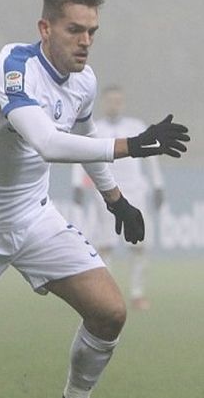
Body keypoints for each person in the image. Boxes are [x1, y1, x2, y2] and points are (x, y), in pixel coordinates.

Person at [0, 0, 190, 398]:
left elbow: (84, 135)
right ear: (45, 28)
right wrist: (132, 145)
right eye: (75, 30)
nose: (86, 41)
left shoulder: (84, 81)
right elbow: (48, 143)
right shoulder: (11, 71)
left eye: (92, 32)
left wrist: (115, 199)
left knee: (109, 312)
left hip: (33, 219)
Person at [72, 84, 166, 310]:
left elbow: (151, 156)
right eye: (110, 100)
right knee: (105, 244)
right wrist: (77, 184)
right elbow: (80, 152)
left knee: (139, 244)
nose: (114, 104)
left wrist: (158, 185)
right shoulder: (94, 127)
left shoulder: (135, 126)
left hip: (135, 190)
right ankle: (107, 296)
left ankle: (137, 293)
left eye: (118, 100)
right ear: (103, 102)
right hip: (105, 191)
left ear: (122, 102)